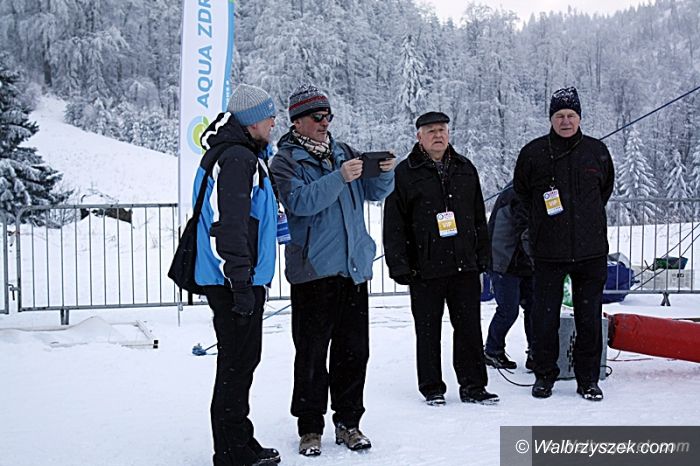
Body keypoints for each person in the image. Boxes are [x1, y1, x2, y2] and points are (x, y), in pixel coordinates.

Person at [269, 84, 395, 456]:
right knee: (311, 355)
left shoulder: (344, 152)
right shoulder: (285, 161)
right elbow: (300, 202)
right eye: (317, 117)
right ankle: (309, 427)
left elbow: (374, 193)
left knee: (354, 352)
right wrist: (339, 177)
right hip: (313, 272)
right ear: (297, 121)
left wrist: (384, 173)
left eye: (328, 116)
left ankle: (349, 422)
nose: (325, 123)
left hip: (352, 269)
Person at [383, 111, 498, 407]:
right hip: (424, 267)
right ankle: (432, 387)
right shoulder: (405, 173)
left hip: (464, 264)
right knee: (428, 331)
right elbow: (394, 224)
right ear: (419, 136)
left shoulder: (465, 168)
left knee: (469, 328)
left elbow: (478, 217)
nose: (438, 135)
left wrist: (483, 254)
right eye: (431, 130)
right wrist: (400, 264)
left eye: (442, 130)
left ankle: (474, 385)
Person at [193, 84, 281, 466]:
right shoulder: (236, 158)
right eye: (269, 117)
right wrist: (241, 282)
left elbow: (246, 219)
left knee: (241, 363)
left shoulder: (238, 155)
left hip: (237, 278)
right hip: (233, 282)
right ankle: (232, 452)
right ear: (252, 121)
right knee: (236, 365)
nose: (273, 123)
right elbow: (227, 226)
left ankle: (240, 442)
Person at [513, 87, 614, 401]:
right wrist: (541, 229)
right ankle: (545, 375)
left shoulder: (596, 151)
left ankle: (588, 379)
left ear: (579, 118)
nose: (565, 121)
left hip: (591, 252)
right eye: (559, 115)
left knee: (589, 318)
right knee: (544, 318)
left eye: (571, 115)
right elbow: (522, 195)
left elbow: (605, 191)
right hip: (548, 253)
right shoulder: (533, 153)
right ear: (551, 119)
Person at [484, 182, 534, 370]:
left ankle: (535, 351)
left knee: (533, 308)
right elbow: (526, 231)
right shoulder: (520, 192)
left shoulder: (522, 188)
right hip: (505, 261)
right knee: (508, 310)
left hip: (521, 260)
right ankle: (492, 350)